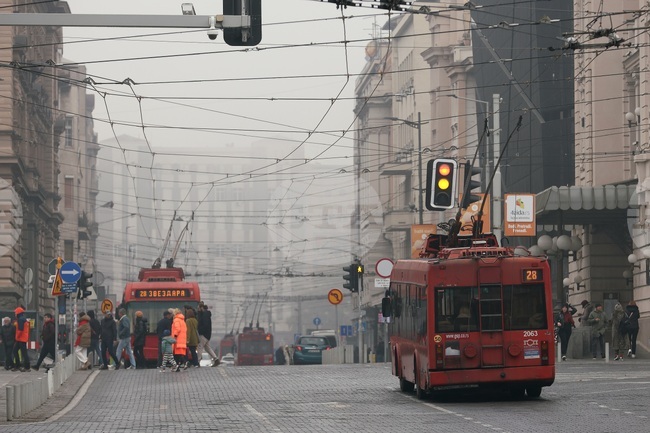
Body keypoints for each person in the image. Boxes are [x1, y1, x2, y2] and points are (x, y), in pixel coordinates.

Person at [197, 302, 219, 367]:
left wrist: (200, 330)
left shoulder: (205, 315)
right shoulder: (205, 314)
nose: (198, 310)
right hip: (207, 334)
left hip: (203, 334)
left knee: (200, 347)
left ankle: (197, 361)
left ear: (201, 308)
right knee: (207, 348)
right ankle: (216, 359)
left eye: (198, 308)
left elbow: (204, 324)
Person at [13, 306, 31, 372]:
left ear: (18, 313)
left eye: (15, 312)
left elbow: (20, 330)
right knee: (19, 352)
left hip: (21, 339)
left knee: (22, 353)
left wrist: (17, 337)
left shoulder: (20, 319)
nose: (15, 314)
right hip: (22, 339)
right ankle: (19, 366)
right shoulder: (23, 319)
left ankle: (26, 367)